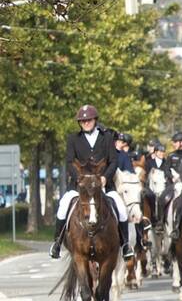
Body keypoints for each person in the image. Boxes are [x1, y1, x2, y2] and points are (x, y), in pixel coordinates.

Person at [50, 104, 134, 260]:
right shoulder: (73, 139)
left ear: (95, 120)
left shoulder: (107, 137)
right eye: (82, 121)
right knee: (63, 206)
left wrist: (104, 178)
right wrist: (79, 179)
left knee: (121, 209)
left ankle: (125, 245)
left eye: (89, 120)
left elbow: (113, 162)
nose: (86, 123)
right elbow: (69, 162)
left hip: (103, 184)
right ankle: (57, 242)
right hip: (79, 185)